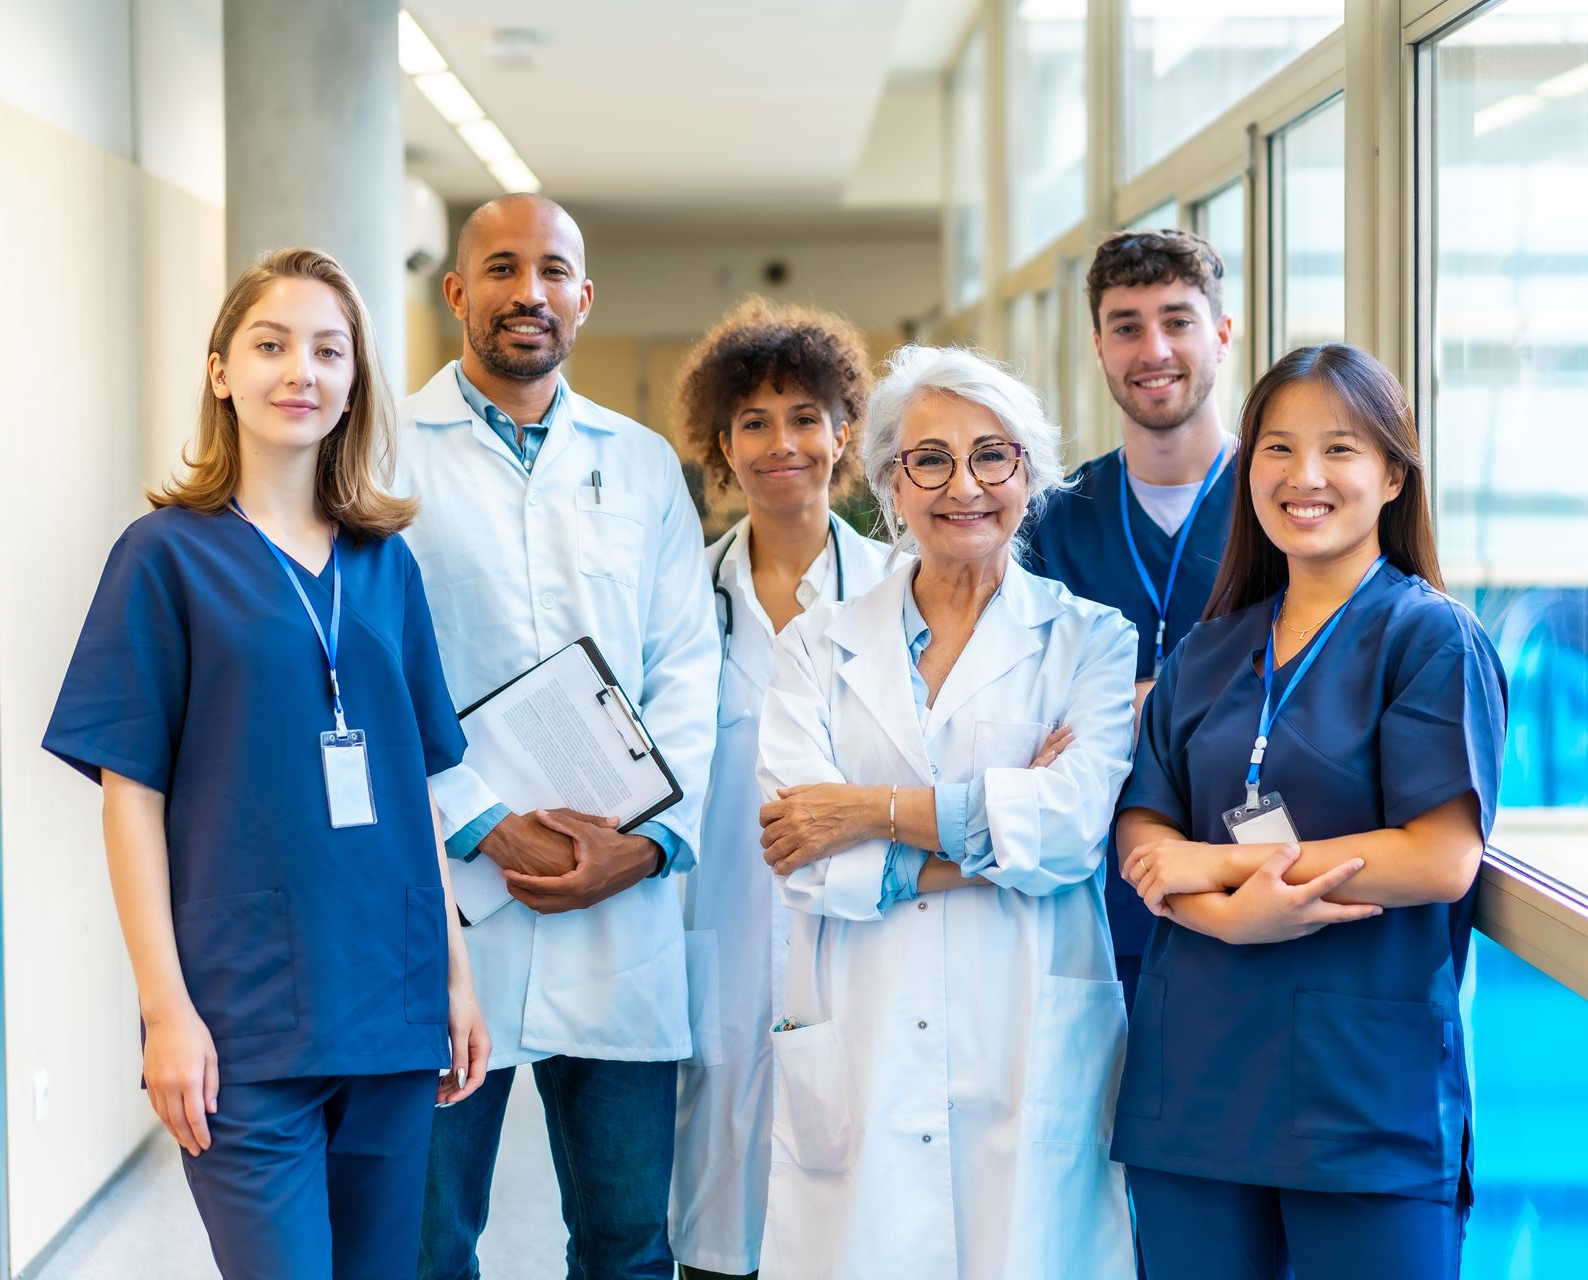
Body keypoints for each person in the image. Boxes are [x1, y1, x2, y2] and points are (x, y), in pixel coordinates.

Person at [42, 248, 490, 1280]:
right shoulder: (163, 555)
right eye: (271, 343)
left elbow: (416, 785)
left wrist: (458, 976)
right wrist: (164, 1010)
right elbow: (130, 796)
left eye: (329, 350)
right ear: (220, 372)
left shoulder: (386, 563)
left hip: (392, 996)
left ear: (354, 382)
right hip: (240, 1018)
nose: (302, 370)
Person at [1112, 344, 1507, 1280]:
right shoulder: (1211, 649)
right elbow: (1144, 825)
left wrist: (1224, 865)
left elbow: (1440, 858)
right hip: (1197, 1092)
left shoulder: (1429, 638)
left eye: (1340, 449)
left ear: (1393, 475)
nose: (1305, 477)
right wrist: (1228, 915)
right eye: (1278, 450)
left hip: (1362, 1107)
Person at [752, 345, 1139, 1278]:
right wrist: (992, 832)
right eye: (930, 459)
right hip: (864, 1036)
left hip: (1027, 1033)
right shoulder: (816, 645)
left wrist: (868, 809)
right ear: (890, 480)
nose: (963, 485)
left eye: (991, 456)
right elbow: (800, 853)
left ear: (1031, 474)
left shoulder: (1091, 641)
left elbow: (1071, 832)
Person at [396, 194, 719, 1280]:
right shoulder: (384, 453)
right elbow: (365, 666)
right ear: (456, 293)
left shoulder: (637, 465)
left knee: (628, 1244)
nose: (526, 291)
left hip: (620, 903)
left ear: (584, 297)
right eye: (498, 267)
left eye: (550, 270)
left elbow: (688, 665)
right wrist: (478, 819)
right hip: (452, 903)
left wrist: (652, 843)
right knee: (429, 1240)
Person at [666, 300, 895, 1280]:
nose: (780, 442)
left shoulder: (898, 594)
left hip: (857, 944)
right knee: (718, 1225)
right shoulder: (681, 599)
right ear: (722, 443)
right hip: (718, 938)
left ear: (844, 432)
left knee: (852, 1223)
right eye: (752, 421)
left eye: (804, 416)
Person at [1024, 229, 1237, 1012]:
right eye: (1127, 326)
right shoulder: (1051, 522)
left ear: (1221, 332)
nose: (1154, 349)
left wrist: (1117, 707)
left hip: (1249, 887)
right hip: (1091, 901)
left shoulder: (1284, 507)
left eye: (1178, 321)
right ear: (1099, 344)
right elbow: (1024, 719)